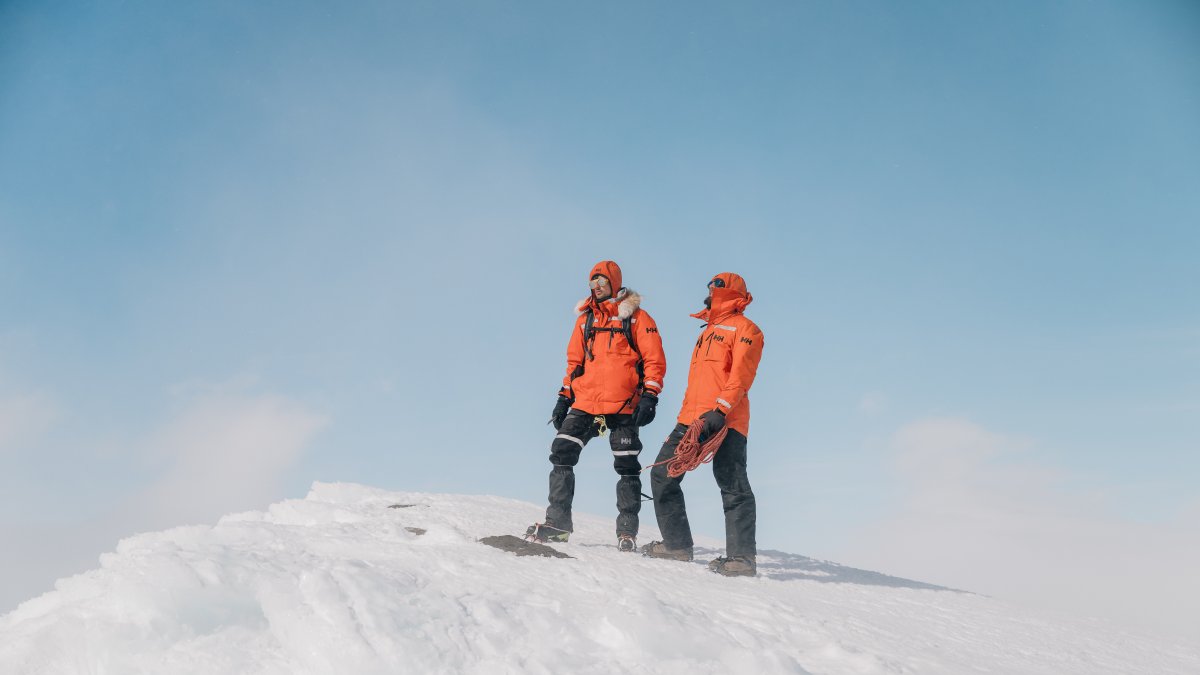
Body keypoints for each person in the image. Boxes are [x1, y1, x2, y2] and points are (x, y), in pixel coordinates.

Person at [527, 260, 667, 551]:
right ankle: (557, 526)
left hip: (624, 406)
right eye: (592, 283)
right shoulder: (584, 320)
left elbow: (654, 360)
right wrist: (563, 398)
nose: (597, 288)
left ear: (615, 284)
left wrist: (650, 395)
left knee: (627, 465)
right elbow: (574, 363)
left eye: (602, 282)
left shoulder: (639, 318)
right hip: (586, 402)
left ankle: (627, 532)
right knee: (562, 452)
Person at [642, 272, 765, 576]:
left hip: (727, 419)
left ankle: (741, 559)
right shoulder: (706, 331)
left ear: (728, 293)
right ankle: (676, 545)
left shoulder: (747, 330)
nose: (709, 292)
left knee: (732, 483)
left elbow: (741, 376)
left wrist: (720, 410)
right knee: (662, 474)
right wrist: (689, 416)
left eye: (715, 288)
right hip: (691, 419)